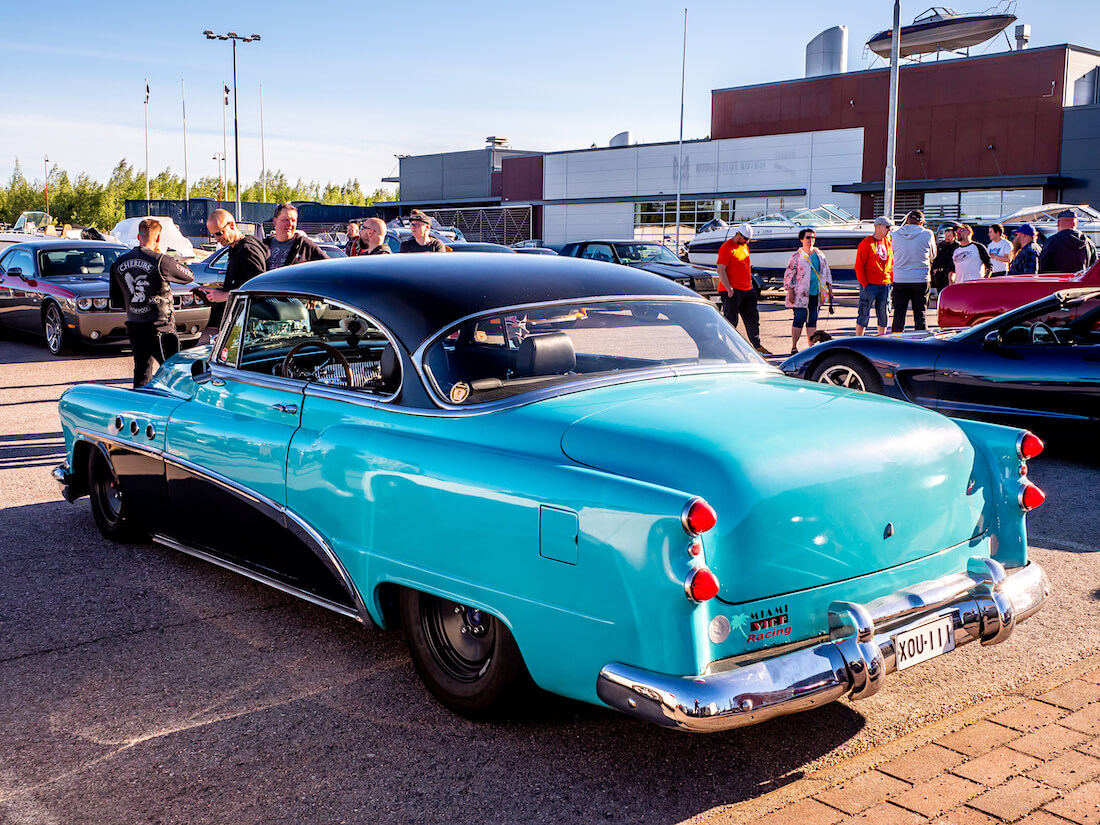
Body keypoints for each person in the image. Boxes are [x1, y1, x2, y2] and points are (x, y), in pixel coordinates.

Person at [109, 218, 194, 388]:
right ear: (158, 238)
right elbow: (189, 276)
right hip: (160, 326)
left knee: (141, 371)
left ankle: (141, 405)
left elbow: (117, 300)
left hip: (134, 324)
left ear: (138, 237)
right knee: (174, 370)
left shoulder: (118, 263)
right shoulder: (161, 261)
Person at [717, 222, 769, 354]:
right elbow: (721, 270)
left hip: (746, 289)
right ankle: (724, 346)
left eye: (748, 239)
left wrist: (751, 285)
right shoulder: (726, 247)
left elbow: (745, 267)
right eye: (745, 238)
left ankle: (757, 345)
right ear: (738, 234)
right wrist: (728, 288)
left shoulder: (744, 246)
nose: (746, 241)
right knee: (731, 320)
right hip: (732, 290)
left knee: (753, 318)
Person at [198, 209, 269, 304]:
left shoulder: (247, 250)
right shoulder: (235, 247)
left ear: (231, 225)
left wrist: (224, 296)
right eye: (212, 234)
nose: (216, 238)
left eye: (219, 233)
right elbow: (239, 284)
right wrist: (214, 290)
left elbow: (258, 287)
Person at [782, 228, 832, 354]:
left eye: (813, 237)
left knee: (813, 319)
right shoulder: (797, 256)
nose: (811, 240)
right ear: (802, 239)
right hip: (800, 294)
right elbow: (789, 274)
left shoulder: (820, 255)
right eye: (808, 237)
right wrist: (790, 291)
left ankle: (812, 347)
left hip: (816, 293)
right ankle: (794, 346)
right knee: (799, 318)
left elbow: (826, 272)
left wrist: (830, 289)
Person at [890, 209, 937, 332]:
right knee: (920, 313)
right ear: (921, 223)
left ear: (907, 220)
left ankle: (895, 340)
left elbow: (892, 253)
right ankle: (921, 341)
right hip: (920, 277)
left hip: (900, 278)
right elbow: (933, 254)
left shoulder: (895, 234)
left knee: (899, 313)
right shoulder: (927, 234)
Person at [854, 216, 894, 336]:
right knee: (864, 312)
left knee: (884, 313)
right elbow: (859, 265)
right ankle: (859, 339)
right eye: (887, 227)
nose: (889, 230)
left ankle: (882, 339)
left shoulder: (888, 242)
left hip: (885, 284)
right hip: (870, 284)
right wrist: (864, 283)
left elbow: (891, 262)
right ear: (878, 227)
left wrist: (891, 279)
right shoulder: (866, 243)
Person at [265, 203, 328, 270]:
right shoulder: (264, 246)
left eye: (293, 220)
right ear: (275, 221)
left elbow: (329, 266)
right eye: (286, 219)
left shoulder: (306, 246)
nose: (290, 224)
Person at [1038, 209, 1098, 273]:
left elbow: (1043, 268)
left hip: (1058, 281)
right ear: (1076, 222)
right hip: (1081, 281)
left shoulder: (1051, 242)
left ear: (1058, 223)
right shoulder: (1088, 243)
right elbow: (1094, 269)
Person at [930, 222, 960, 296]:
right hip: (940, 274)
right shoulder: (941, 246)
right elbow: (936, 258)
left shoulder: (957, 247)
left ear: (954, 236)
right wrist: (934, 268)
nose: (947, 237)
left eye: (949, 236)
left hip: (951, 273)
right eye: (946, 235)